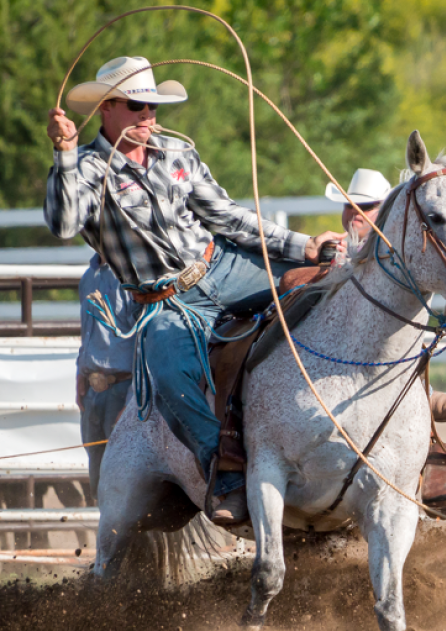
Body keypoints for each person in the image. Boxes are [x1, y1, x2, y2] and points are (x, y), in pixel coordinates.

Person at [45, 56, 343, 525]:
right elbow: (63, 224)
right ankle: (224, 467)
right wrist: (64, 153)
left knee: (329, 279)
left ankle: (393, 421)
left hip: (222, 266)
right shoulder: (83, 169)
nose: (149, 116)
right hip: (165, 301)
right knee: (170, 374)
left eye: (152, 107)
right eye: (137, 106)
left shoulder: (177, 154)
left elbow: (228, 217)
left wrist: (305, 246)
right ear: (106, 108)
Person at [325, 168, 446, 424]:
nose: (354, 212)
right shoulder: (336, 245)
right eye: (349, 205)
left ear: (383, 210)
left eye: (365, 205)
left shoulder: (393, 249)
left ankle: (422, 391)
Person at [76, 254, 138, 503]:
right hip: (94, 389)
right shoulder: (88, 277)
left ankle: (128, 538)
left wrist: (133, 398)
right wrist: (80, 374)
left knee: (121, 473)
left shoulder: (129, 279)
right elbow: (86, 332)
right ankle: (109, 535)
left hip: (121, 387)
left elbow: (141, 341)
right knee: (98, 472)